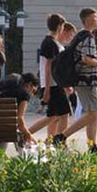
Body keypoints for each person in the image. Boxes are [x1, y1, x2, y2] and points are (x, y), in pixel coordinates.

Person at [56, 8, 97, 152]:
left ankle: (92, 146)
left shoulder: (80, 36)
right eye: (95, 17)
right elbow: (86, 59)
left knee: (91, 113)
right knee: (94, 113)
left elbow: (84, 56)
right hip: (87, 79)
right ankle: (61, 137)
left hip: (80, 79)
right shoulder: (88, 36)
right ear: (88, 19)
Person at [35, 13, 70, 142]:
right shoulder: (50, 42)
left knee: (54, 116)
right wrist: (47, 90)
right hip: (53, 84)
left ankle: (50, 140)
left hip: (55, 84)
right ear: (60, 26)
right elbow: (48, 67)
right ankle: (59, 141)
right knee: (63, 114)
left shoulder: (52, 42)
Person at [0, 72, 40, 146]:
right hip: (4, 128)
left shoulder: (7, 81)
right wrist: (28, 135)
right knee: (16, 130)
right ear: (29, 85)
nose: (32, 94)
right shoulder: (24, 94)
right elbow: (20, 119)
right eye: (33, 91)